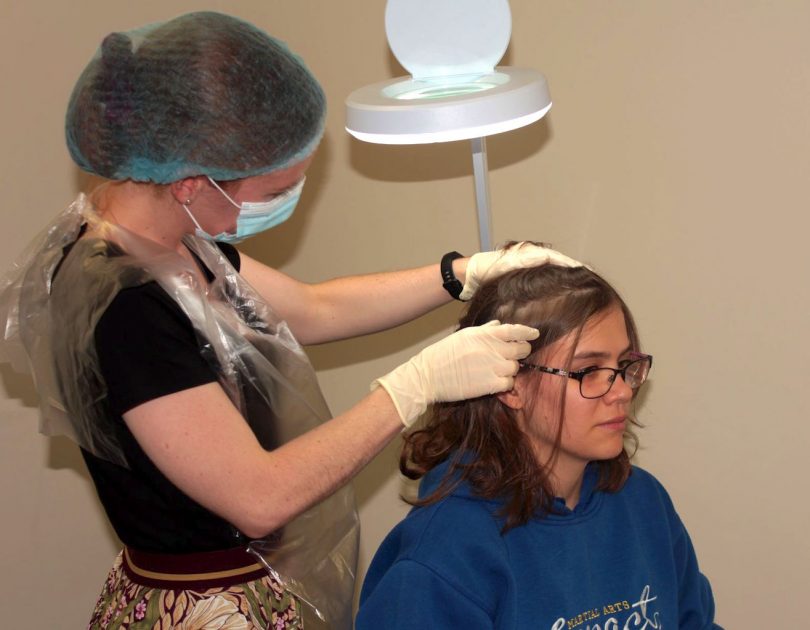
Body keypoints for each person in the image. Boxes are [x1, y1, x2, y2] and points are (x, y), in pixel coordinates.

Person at [0, 11, 582, 630]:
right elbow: (259, 496)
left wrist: (460, 272)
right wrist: (417, 384)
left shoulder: (180, 244)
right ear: (193, 183)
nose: (286, 201)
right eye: (274, 187)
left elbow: (312, 308)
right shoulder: (121, 306)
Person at [357, 261, 722, 629]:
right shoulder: (444, 554)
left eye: (625, 364)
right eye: (589, 371)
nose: (623, 390)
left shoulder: (645, 503)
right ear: (511, 384)